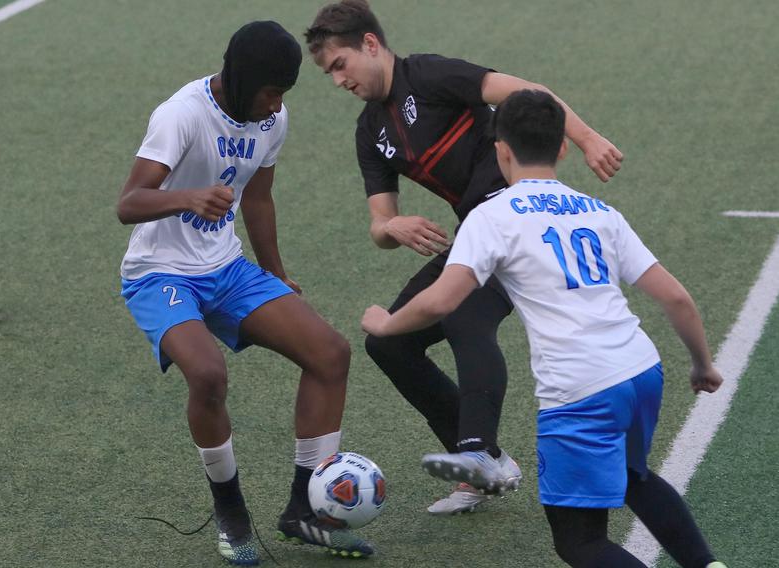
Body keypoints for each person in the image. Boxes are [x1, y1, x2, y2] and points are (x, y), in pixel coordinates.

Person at [362, 89, 727, 568]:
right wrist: (702, 365)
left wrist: (388, 324)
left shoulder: (490, 217)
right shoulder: (601, 213)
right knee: (634, 475)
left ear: (501, 150)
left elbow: (443, 299)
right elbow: (676, 297)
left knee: (580, 543)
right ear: (562, 148)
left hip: (580, 391)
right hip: (641, 370)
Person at [305, 0, 623, 514]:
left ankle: (475, 457)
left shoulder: (428, 74)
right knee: (389, 342)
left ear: (369, 44)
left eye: (339, 65)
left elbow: (526, 95)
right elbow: (379, 226)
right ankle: (486, 457)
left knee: (461, 316)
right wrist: (392, 225)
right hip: (478, 233)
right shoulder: (370, 133)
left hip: (520, 219)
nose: (338, 80)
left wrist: (586, 138)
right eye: (328, 73)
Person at [116, 21, 373, 565]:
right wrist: (186, 197)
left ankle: (306, 510)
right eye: (271, 91)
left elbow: (258, 199)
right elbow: (129, 203)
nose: (277, 104)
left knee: (331, 353)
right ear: (242, 79)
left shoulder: (272, 118)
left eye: (283, 93)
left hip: (227, 268)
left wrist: (276, 271)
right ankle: (231, 513)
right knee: (207, 374)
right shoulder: (180, 114)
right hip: (159, 274)